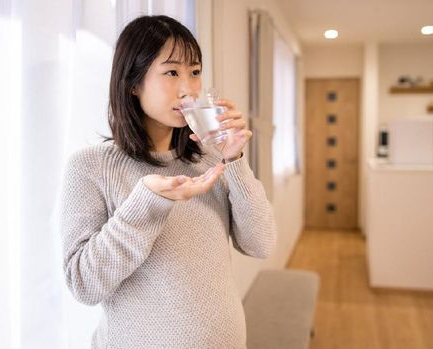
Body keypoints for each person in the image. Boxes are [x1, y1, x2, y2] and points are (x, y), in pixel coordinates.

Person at [59, 15, 276, 348]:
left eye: (195, 72)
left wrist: (234, 160)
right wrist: (146, 203)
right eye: (172, 72)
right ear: (133, 82)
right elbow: (84, 284)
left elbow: (260, 243)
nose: (188, 88)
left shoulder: (210, 160)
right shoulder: (90, 167)